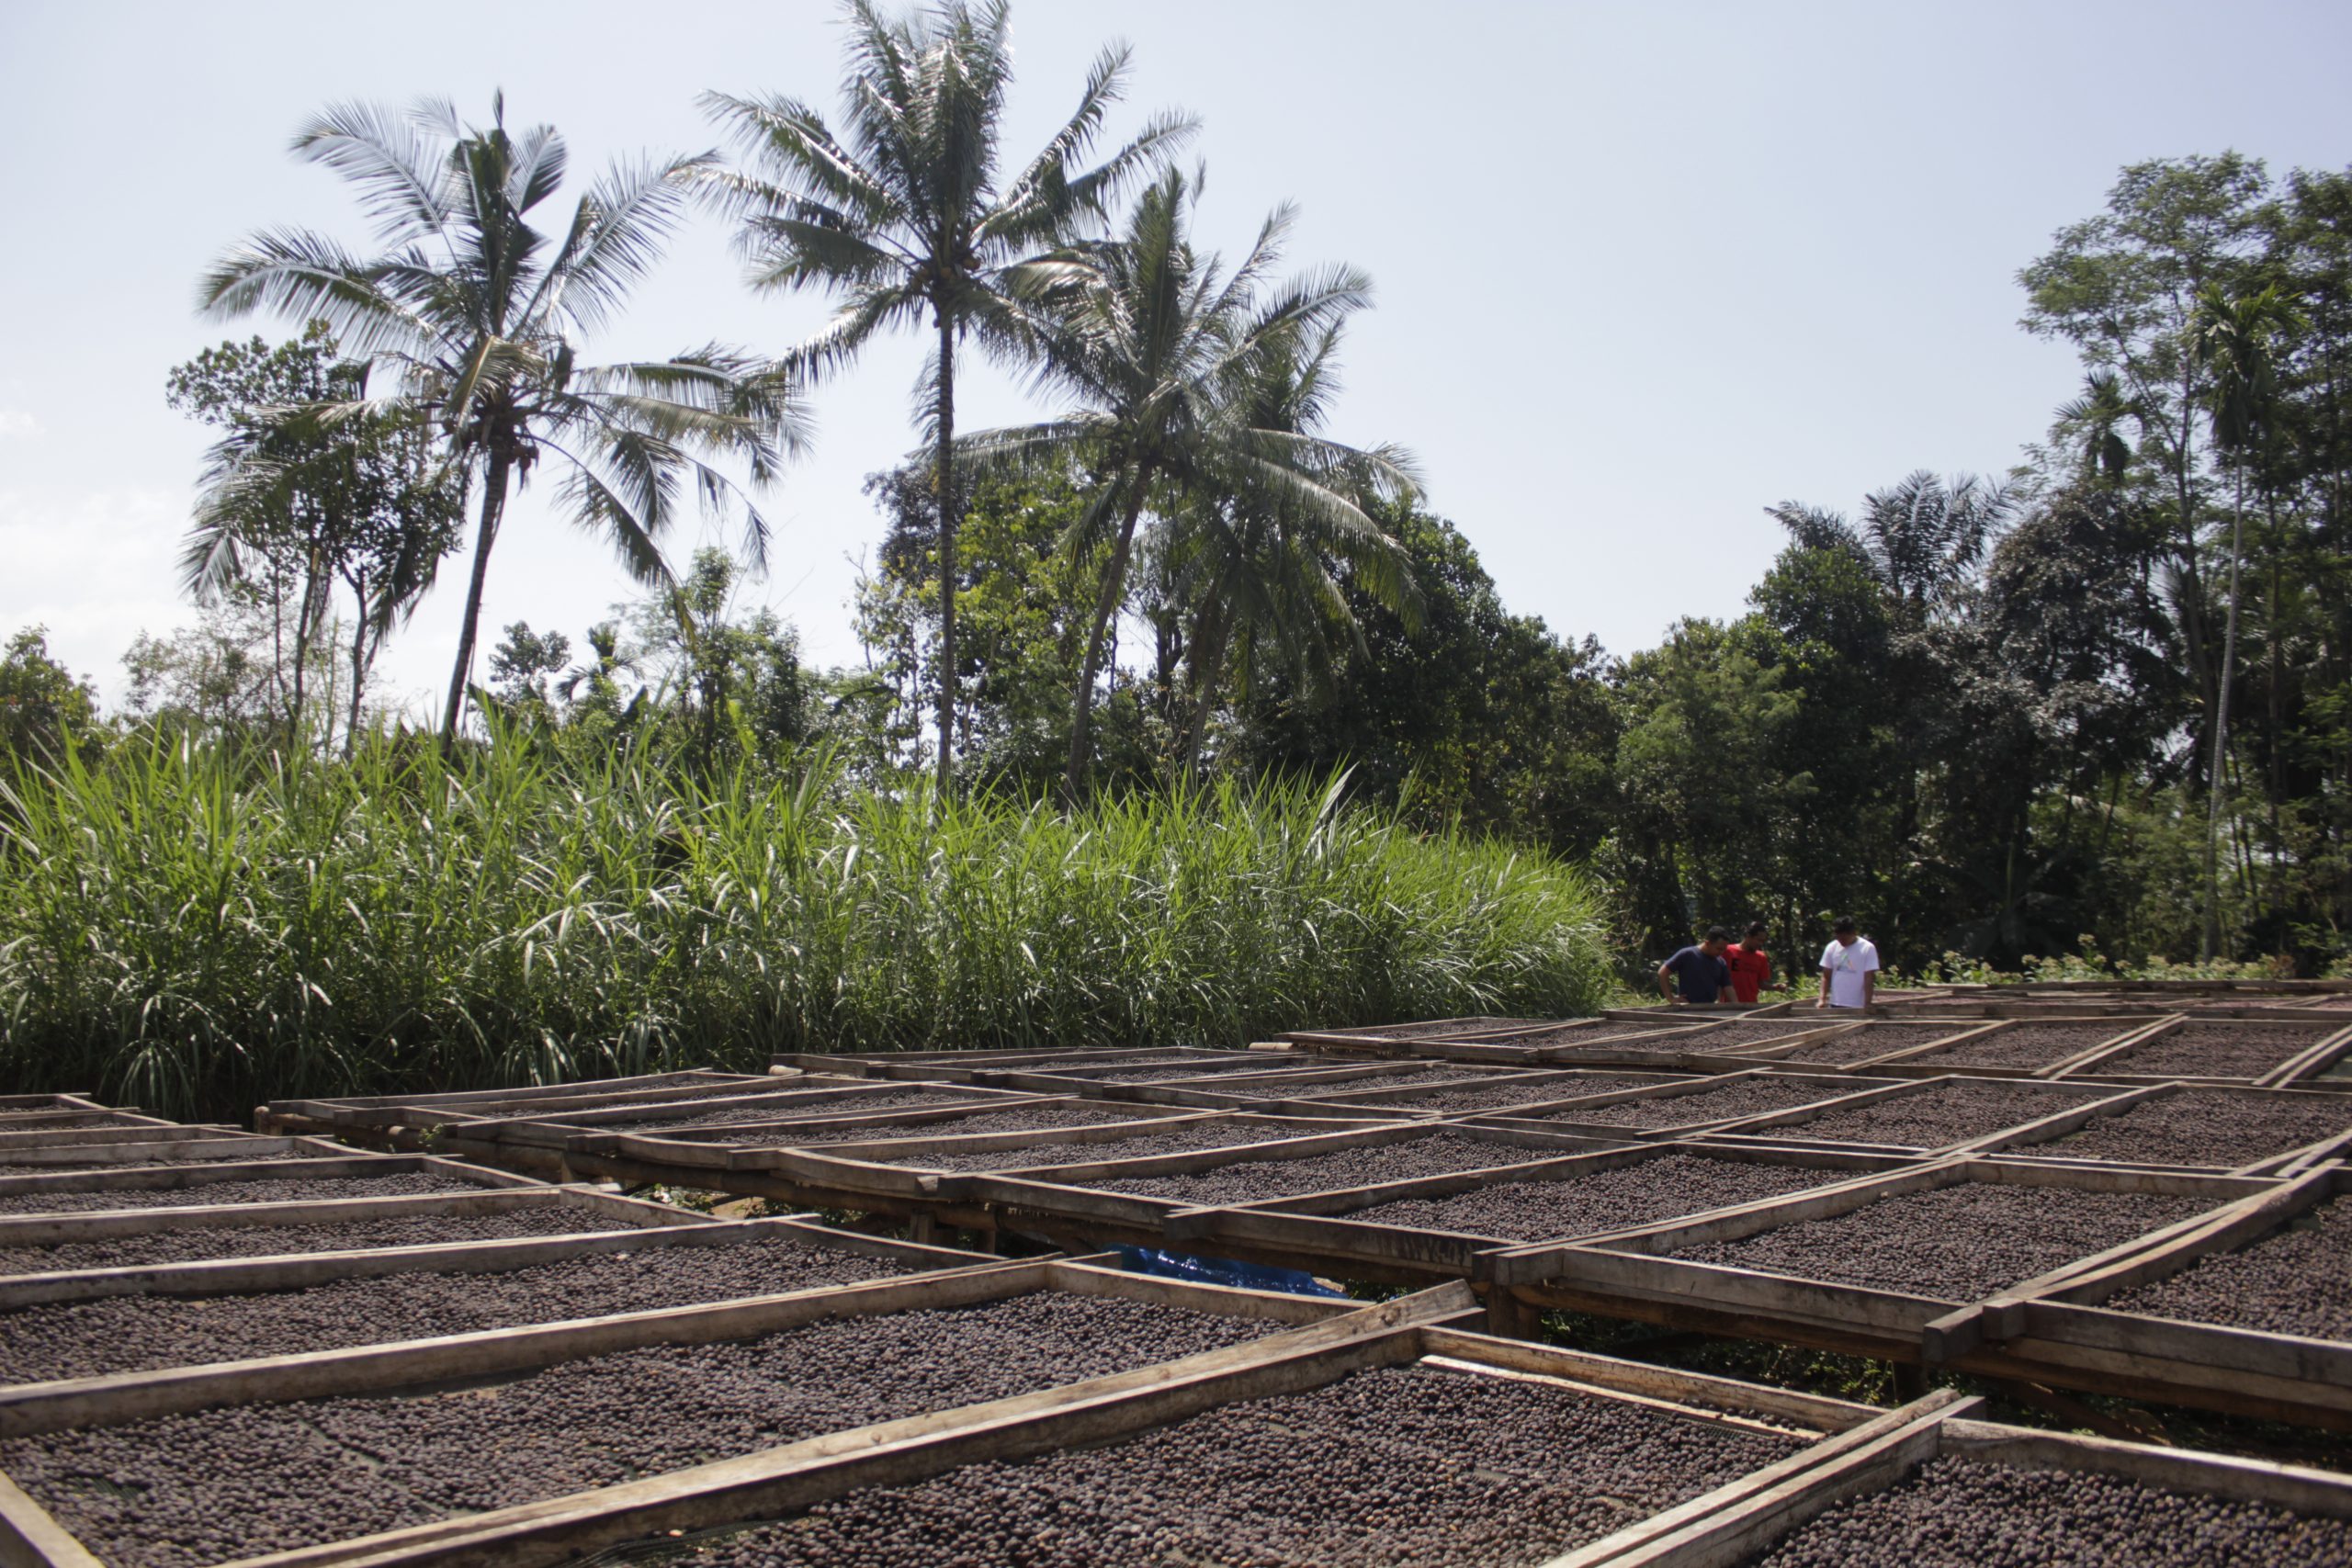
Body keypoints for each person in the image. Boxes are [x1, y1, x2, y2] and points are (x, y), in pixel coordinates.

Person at [1658, 926, 1735, 1007]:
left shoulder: (1720, 962)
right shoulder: (1688, 954)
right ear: (1707, 943)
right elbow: (1663, 972)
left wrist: (1736, 1006)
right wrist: (1671, 998)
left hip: (1709, 1008)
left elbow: (1728, 986)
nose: (1721, 952)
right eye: (1719, 949)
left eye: (1724, 949)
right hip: (1687, 1008)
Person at [1816, 918, 1880, 1009]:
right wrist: (1822, 999)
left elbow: (1869, 977)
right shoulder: (1831, 947)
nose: (1841, 941)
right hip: (1836, 1003)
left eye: (1844, 938)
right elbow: (1826, 976)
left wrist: (1868, 1002)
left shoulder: (1867, 948)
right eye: (1838, 938)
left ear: (1853, 933)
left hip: (1858, 1004)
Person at [1724, 920, 1772, 1005]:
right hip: (1728, 1005)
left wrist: (1775, 987)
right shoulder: (1727, 951)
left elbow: (1761, 984)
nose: (1760, 944)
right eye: (1758, 940)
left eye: (1763, 941)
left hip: (1751, 1005)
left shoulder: (1761, 957)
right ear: (1748, 936)